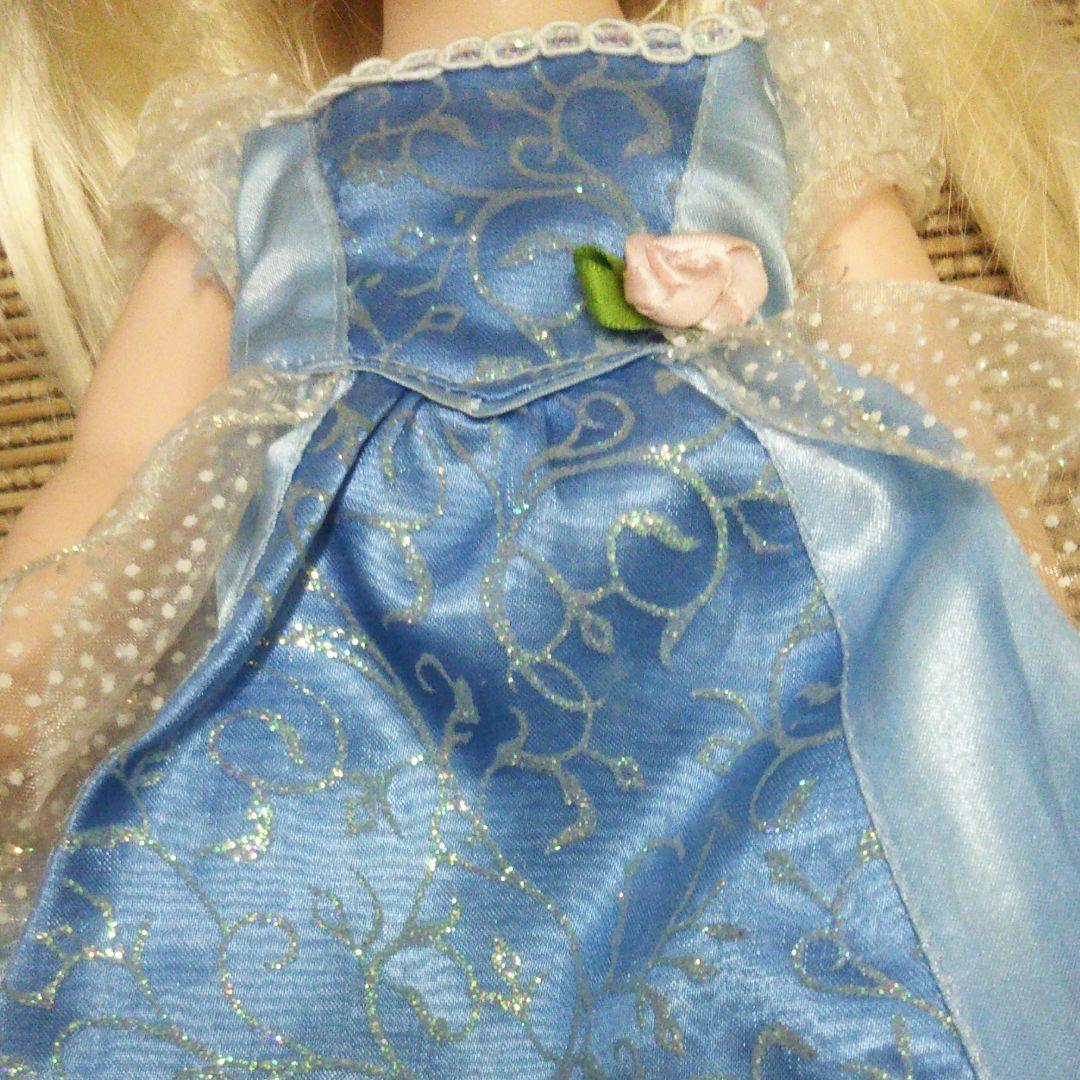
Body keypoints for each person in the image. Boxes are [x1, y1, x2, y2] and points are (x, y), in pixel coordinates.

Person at [0, 0, 1077, 1074]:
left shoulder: (764, 75)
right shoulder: (252, 160)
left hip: (740, 618)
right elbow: (118, 467)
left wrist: (1032, 604)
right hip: (361, 669)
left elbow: (926, 375)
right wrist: (31, 642)